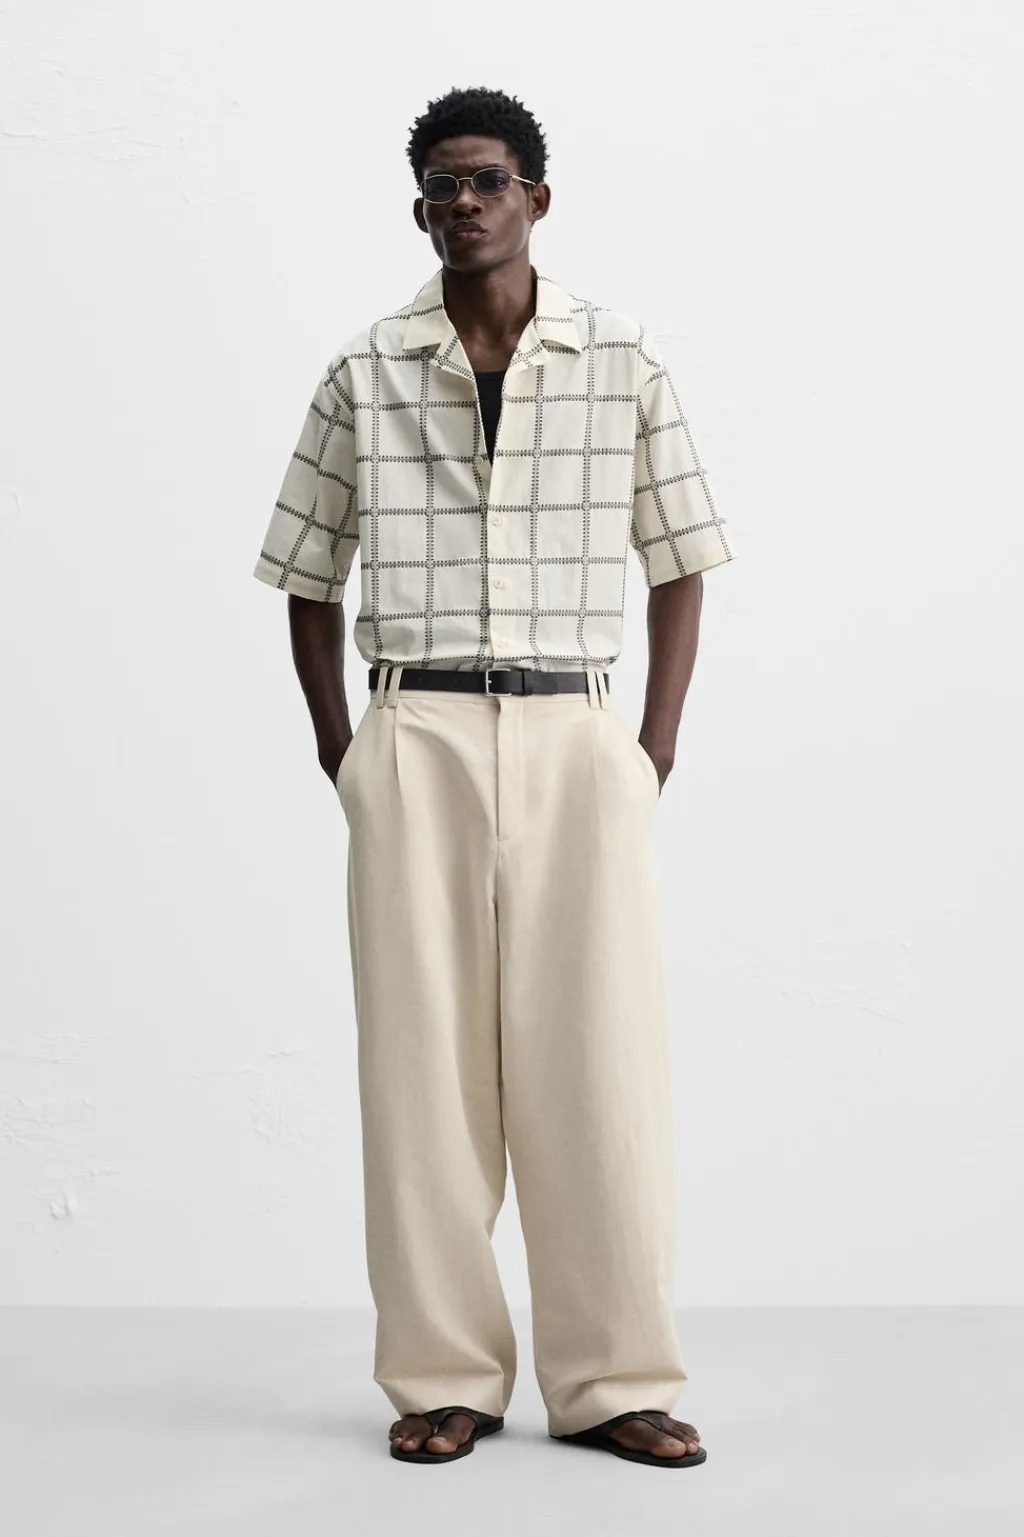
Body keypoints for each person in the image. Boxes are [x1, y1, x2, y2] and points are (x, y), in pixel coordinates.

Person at [252, 86, 735, 1468]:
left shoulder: (620, 358)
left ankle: (613, 1379)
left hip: (580, 736)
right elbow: (305, 573)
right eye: (442, 186)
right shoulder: (364, 370)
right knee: (422, 1069)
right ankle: (443, 1376)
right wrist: (344, 750)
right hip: (417, 735)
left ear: (537, 198)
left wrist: (651, 749)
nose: (464, 203)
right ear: (419, 209)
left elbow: (681, 558)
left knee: (602, 1061)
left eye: (488, 180)